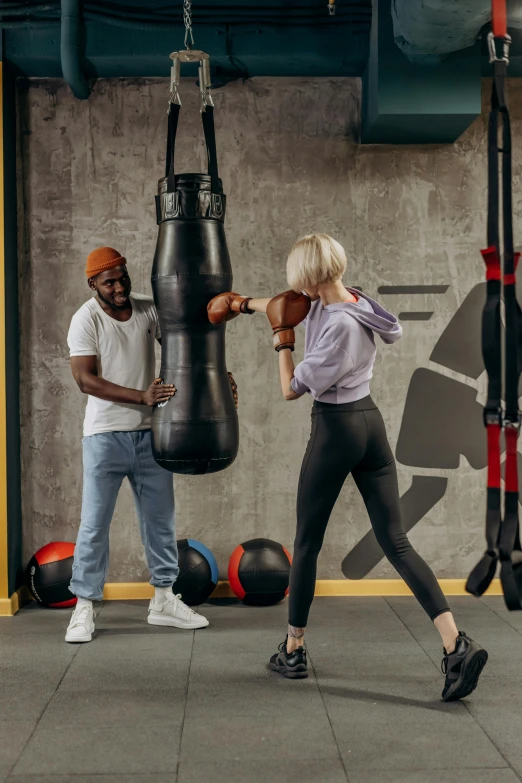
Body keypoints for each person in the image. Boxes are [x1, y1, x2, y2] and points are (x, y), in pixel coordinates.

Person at [209, 233, 488, 702]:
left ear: (314, 278)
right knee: (396, 541)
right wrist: (241, 305)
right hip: (370, 425)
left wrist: (282, 343)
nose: (297, 290)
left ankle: (293, 649)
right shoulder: (356, 299)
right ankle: (455, 643)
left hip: (336, 430)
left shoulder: (337, 329)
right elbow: (289, 302)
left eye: (302, 281)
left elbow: (291, 389)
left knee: (306, 543)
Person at [65, 247, 237, 643]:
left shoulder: (147, 310)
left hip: (151, 434)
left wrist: (218, 382)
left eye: (123, 278)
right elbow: (85, 380)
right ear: (94, 284)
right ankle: (84, 607)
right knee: (94, 526)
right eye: (110, 282)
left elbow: (187, 346)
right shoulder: (84, 319)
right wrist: (140, 396)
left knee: (160, 522)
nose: (120, 286)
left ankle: (163, 599)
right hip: (104, 437)